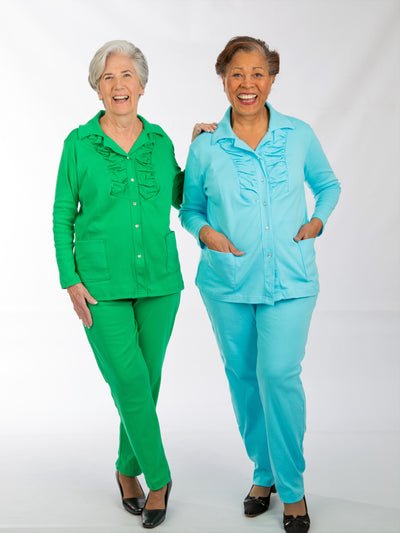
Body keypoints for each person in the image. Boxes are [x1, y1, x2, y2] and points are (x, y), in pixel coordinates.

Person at [180, 36, 341, 532]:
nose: (246, 83)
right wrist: (206, 234)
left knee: (278, 375)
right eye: (237, 74)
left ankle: (292, 489)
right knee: (243, 378)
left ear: (271, 78)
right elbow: (190, 209)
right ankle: (263, 472)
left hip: (291, 278)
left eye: (257, 73)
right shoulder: (205, 145)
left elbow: (328, 184)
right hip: (226, 282)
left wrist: (318, 221)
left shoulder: (299, 135)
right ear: (223, 80)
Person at [52, 39, 214, 529]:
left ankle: (126, 469)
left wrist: (198, 149)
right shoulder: (79, 144)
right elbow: (62, 215)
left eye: (126, 75)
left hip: (160, 281)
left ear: (142, 85)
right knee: (127, 378)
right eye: (108, 77)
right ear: (97, 88)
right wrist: (70, 280)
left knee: (146, 380)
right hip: (99, 285)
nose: (118, 85)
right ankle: (159, 479)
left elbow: (181, 196)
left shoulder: (159, 141)